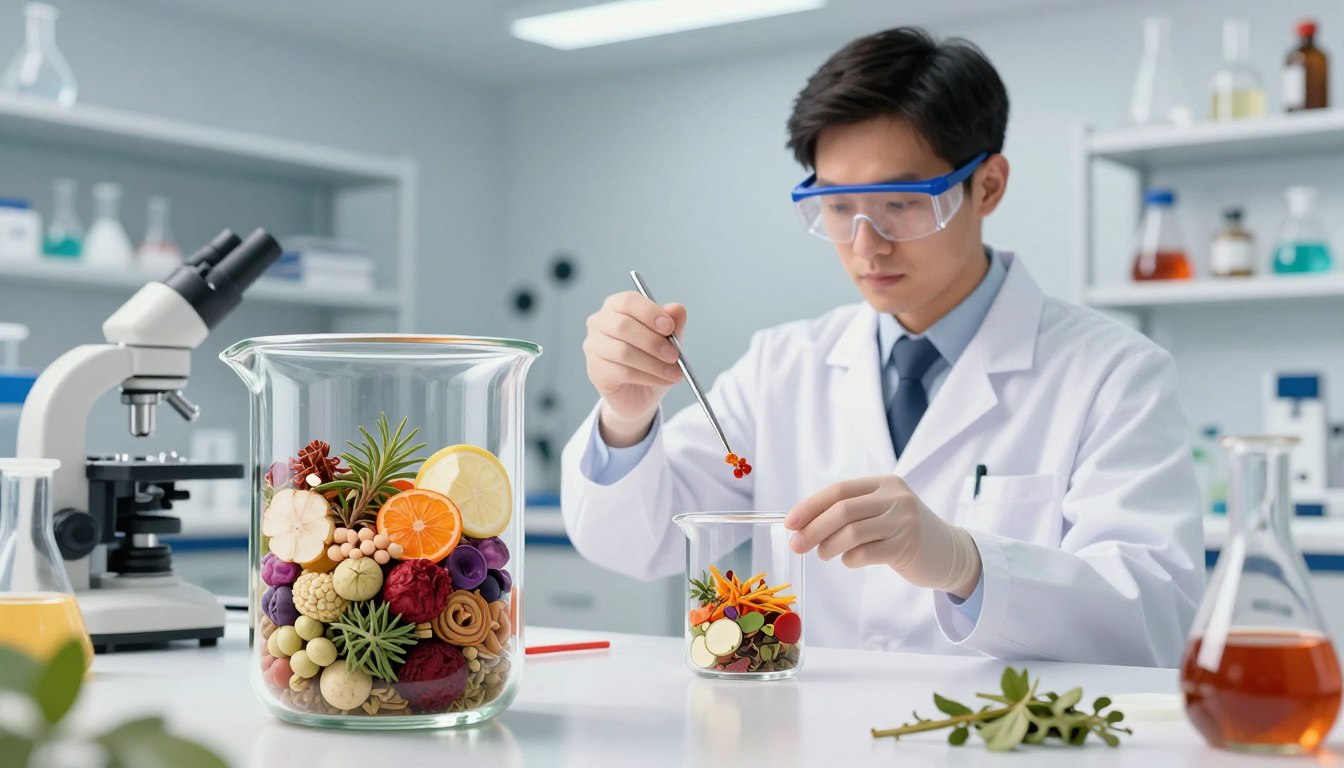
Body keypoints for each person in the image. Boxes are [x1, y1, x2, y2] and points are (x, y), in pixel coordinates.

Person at [560, 27, 1203, 666]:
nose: (867, 245)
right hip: (800, 737)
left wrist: (966, 563)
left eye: (901, 201)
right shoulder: (782, 366)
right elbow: (634, 545)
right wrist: (626, 415)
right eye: (837, 207)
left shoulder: (1115, 374)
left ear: (989, 186)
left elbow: (1154, 618)